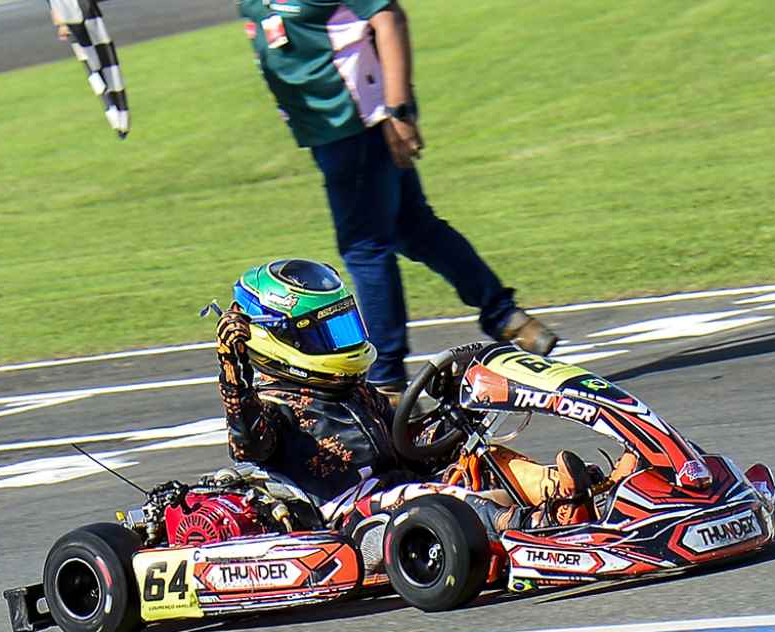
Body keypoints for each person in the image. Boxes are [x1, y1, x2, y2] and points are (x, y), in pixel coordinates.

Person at [234, 0, 559, 395]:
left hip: (359, 124)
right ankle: (506, 316)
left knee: (365, 247)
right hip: (329, 131)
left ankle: (386, 378)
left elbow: (388, 17)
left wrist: (399, 109)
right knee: (414, 227)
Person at [213, 259, 634, 539]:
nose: (342, 342)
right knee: (432, 500)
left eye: (343, 326)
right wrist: (233, 374)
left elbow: (405, 441)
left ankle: (576, 493)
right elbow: (247, 442)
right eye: (326, 334)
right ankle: (529, 527)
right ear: (280, 338)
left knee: (482, 460)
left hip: (402, 495)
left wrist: (454, 408)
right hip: (345, 523)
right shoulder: (272, 408)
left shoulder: (352, 391)